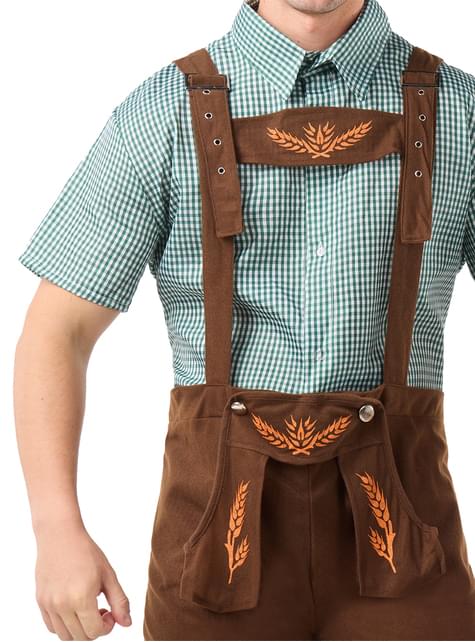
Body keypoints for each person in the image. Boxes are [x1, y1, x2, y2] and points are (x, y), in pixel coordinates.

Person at [14, 0, 475, 640]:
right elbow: (57, 332)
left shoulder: (461, 113)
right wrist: (56, 529)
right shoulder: (162, 112)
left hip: (408, 544)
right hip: (212, 546)